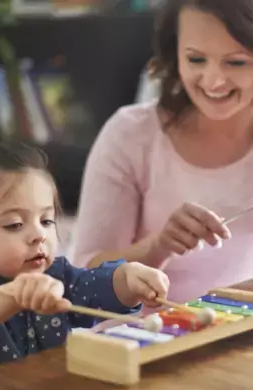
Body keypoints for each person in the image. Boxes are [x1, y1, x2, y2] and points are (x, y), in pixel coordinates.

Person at [74, 0, 253, 304]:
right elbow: (82, 280)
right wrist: (158, 246)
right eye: (196, 59)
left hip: (233, 334)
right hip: (137, 339)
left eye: (236, 62)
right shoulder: (131, 135)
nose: (213, 81)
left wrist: (225, 304)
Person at [0, 143, 169, 367]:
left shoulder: (57, 276)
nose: (39, 235)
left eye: (46, 221)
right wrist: (13, 295)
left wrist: (128, 278)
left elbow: (93, 287)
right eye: (14, 225)